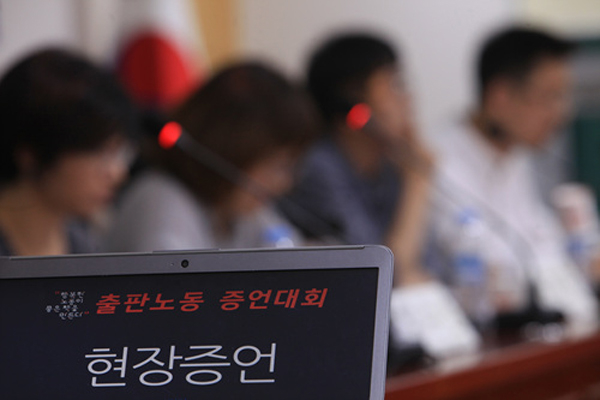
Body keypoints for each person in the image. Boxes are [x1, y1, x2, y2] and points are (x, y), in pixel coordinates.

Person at [431, 26, 597, 325]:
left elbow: (544, 243)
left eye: (563, 97)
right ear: (500, 97)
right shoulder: (439, 164)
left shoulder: (515, 156)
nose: (561, 113)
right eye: (549, 97)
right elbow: (492, 271)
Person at [105, 62, 319, 252]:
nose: (285, 182)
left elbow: (291, 254)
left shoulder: (244, 209)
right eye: (278, 166)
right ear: (231, 151)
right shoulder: (160, 204)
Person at [280, 33, 434, 286]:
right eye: (394, 85)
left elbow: (429, 264)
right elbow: (382, 274)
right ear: (355, 109)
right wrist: (418, 180)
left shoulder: (389, 167)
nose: (407, 99)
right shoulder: (318, 169)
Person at [0, 48, 138, 256]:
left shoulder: (82, 242)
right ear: (31, 155)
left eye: (119, 153)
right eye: (101, 153)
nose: (117, 173)